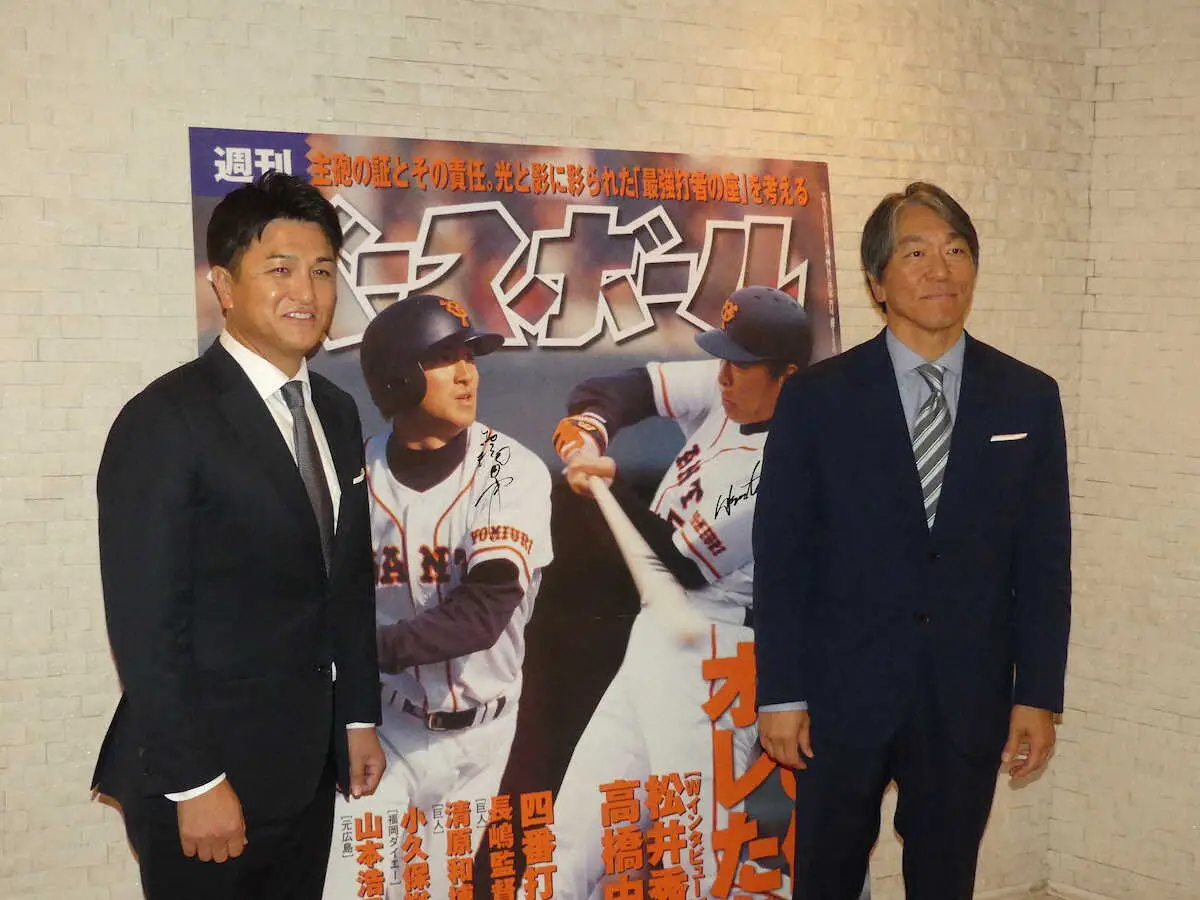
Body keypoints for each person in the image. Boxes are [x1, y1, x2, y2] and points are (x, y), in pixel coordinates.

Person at [753, 182, 1072, 899]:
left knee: (945, 881)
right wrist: (781, 693)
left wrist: (1037, 693)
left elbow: (1044, 562)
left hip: (967, 695)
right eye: (916, 253)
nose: (940, 270)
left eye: (956, 251)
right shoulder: (817, 397)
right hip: (840, 695)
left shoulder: (1027, 396)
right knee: (826, 878)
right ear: (877, 282)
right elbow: (783, 558)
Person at [91, 171, 385, 900]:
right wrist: (196, 781)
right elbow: (145, 625)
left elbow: (345, 583)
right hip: (204, 777)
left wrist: (356, 715)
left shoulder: (337, 411)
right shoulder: (166, 419)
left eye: (322, 271)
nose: (306, 292)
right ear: (223, 286)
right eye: (279, 269)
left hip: (307, 767)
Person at [551, 286, 812, 899]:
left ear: (788, 376)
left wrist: (610, 485)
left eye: (741, 365)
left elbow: (681, 563)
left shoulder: (790, 461)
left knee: (697, 857)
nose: (723, 376)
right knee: (574, 839)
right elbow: (623, 388)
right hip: (657, 640)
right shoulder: (730, 388)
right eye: (723, 358)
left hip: (714, 657)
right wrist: (590, 427)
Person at [328, 293, 553, 900]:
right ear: (397, 378)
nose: (466, 373)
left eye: (469, 356)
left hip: (483, 739)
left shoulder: (509, 469)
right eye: (444, 358)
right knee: (348, 887)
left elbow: (481, 614)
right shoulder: (353, 476)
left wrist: (357, 652)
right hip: (389, 727)